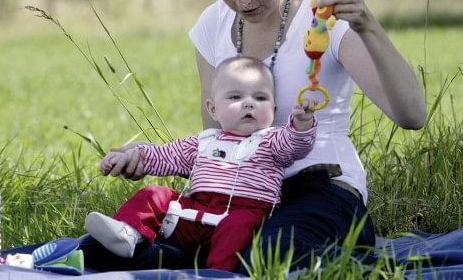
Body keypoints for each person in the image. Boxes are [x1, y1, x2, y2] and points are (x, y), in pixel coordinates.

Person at [86, 0, 426, 273]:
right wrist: (146, 158)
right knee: (100, 250)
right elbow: (218, 140)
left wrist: (368, 26)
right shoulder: (213, 24)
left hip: (320, 189)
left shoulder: (324, 17)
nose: (242, 0)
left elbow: (411, 114)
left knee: (269, 259)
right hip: (238, 195)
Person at [85, 56, 319, 271]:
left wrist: (301, 124)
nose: (249, 104)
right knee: (154, 194)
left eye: (260, 98)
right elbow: (165, 156)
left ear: (273, 110)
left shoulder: (271, 140)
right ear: (213, 109)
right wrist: (131, 156)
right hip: (194, 212)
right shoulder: (204, 142)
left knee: (238, 225)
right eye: (236, 97)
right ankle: (127, 233)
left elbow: (295, 145)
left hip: (243, 213)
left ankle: (216, 273)